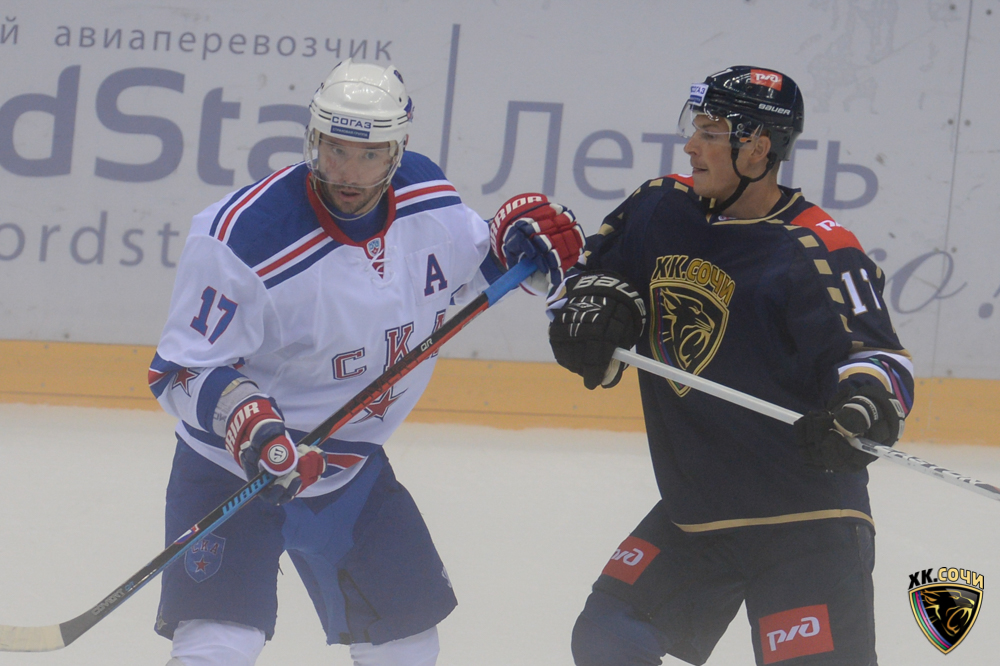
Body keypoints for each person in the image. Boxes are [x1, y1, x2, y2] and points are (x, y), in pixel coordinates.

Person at [147, 59, 583, 666]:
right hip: (233, 471)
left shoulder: (428, 197)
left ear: (397, 151)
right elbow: (178, 371)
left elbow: (459, 278)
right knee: (220, 644)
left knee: (406, 641)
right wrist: (245, 418)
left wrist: (515, 251)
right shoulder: (240, 238)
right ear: (313, 139)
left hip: (349, 467)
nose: (348, 172)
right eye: (335, 150)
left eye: (370, 155)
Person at [546, 66, 914, 666]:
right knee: (608, 636)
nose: (691, 146)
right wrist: (590, 309)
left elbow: (878, 360)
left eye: (710, 133)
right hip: (698, 510)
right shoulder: (657, 209)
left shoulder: (817, 249)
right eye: (695, 128)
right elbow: (586, 282)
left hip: (806, 521)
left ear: (757, 147)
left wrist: (862, 407)